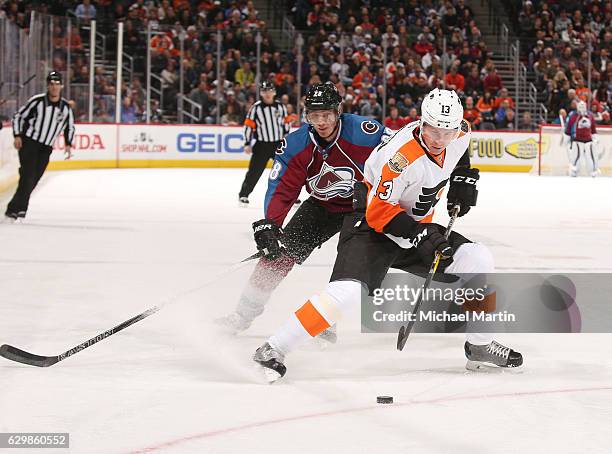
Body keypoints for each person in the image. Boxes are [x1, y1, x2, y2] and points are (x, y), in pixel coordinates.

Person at [253, 88, 523, 382]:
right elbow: (379, 213)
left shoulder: (460, 133)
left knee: (477, 258)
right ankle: (273, 349)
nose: (440, 139)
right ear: (422, 122)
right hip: (371, 226)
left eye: (448, 132)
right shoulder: (398, 159)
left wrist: (462, 178)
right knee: (347, 293)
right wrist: (420, 234)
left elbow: (459, 154)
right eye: (433, 131)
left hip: (415, 225)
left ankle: (480, 345)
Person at [216, 83, 391, 335]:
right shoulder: (296, 145)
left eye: (327, 115)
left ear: (338, 111)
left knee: (348, 268)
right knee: (275, 259)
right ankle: (241, 316)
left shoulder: (365, 132)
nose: (321, 122)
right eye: (314, 115)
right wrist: (271, 224)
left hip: (362, 209)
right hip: (321, 206)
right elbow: (282, 187)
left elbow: (403, 152)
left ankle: (324, 319)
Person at [5, 71, 74, 222]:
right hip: (30, 143)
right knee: (28, 177)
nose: (54, 87)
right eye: (52, 84)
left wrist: (68, 144)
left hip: (46, 148)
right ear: (48, 86)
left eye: (57, 84)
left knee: (34, 179)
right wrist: (17, 135)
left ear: (61, 86)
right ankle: (17, 211)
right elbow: (18, 116)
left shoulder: (65, 108)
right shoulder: (37, 102)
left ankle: (16, 209)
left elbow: (70, 127)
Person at [238, 80, 290, 205]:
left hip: (278, 144)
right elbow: (248, 126)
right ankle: (244, 195)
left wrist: (287, 141)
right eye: (265, 91)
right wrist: (247, 142)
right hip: (262, 145)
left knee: (286, 171)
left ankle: (289, 197)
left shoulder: (281, 107)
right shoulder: (255, 108)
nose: (267, 93)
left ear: (274, 92)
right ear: (261, 93)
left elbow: (286, 124)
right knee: (254, 171)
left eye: (270, 91)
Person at [564, 101, 600, 177]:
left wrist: (595, 137)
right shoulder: (573, 116)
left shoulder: (590, 115)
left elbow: (593, 128)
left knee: (591, 157)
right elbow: (568, 128)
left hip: (588, 140)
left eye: (583, 107)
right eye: (580, 107)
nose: (582, 108)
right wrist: (566, 137)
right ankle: (574, 171)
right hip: (577, 140)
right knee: (576, 157)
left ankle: (593, 171)